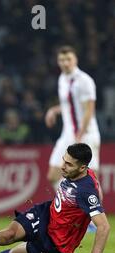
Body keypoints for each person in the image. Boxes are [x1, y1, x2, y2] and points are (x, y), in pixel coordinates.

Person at [0, 143, 110, 253]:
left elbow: (104, 226)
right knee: (9, 234)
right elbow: (97, 192)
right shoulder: (84, 173)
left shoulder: (85, 191)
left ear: (82, 168)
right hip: (46, 214)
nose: (63, 166)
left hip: (54, 242)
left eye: (69, 164)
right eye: (64, 160)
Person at [45, 46, 101, 190]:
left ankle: (95, 211)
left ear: (75, 60)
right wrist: (54, 110)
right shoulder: (62, 79)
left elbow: (89, 110)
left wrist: (79, 137)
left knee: (90, 181)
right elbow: (69, 105)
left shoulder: (84, 81)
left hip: (85, 135)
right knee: (53, 176)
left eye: (68, 59)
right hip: (67, 135)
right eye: (61, 60)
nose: (65, 63)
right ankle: (73, 205)